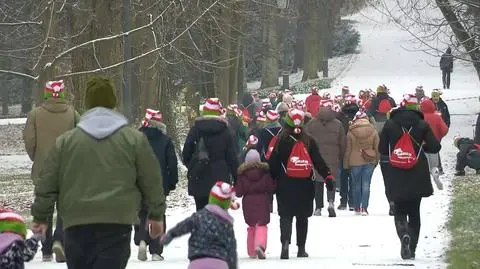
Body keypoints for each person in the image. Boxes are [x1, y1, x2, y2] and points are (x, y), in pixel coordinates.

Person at [30, 77, 166, 269]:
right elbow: (151, 180)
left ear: (87, 104)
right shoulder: (133, 140)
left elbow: (47, 182)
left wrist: (41, 217)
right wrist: (156, 214)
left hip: (76, 224)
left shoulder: (67, 142)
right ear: (113, 102)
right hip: (116, 223)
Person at [22, 80, 80, 263]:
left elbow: (29, 140)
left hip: (43, 169)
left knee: (44, 206)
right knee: (65, 208)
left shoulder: (35, 114)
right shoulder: (73, 114)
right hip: (68, 168)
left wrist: (37, 157)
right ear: (63, 94)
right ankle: (60, 240)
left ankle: (46, 249)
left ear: (46, 94)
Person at [379, 94, 441, 260]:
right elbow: (435, 147)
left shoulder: (390, 123)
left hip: (396, 172)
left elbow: (382, 149)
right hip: (417, 172)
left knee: (399, 210)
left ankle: (403, 234)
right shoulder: (422, 124)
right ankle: (412, 248)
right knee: (415, 212)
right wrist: (422, 144)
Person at [268, 109, 333, 259]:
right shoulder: (309, 140)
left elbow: (272, 164)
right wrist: (327, 176)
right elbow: (318, 161)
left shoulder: (280, 141)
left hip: (285, 184)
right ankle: (301, 248)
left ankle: (285, 243)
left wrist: (272, 180)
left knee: (285, 215)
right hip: (305, 184)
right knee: (302, 217)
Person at [160, 181, 238, 269]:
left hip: (197, 262)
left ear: (211, 199)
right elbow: (231, 249)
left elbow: (183, 226)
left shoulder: (199, 216)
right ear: (227, 204)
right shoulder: (227, 225)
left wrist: (170, 235)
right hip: (219, 263)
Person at [134, 109, 178, 262]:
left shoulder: (136, 138)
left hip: (139, 182)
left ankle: (142, 239)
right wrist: (172, 182)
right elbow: (172, 163)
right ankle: (156, 250)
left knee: (142, 212)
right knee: (158, 214)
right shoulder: (165, 140)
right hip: (160, 183)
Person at [183, 98, 239, 211]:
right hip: (221, 181)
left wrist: (193, 165)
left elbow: (186, 153)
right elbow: (232, 159)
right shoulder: (226, 131)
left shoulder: (195, 130)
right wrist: (237, 180)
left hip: (199, 178)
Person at [306, 100, 346, 217]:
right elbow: (343, 142)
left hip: (316, 157)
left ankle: (318, 207)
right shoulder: (338, 124)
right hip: (333, 157)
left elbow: (306, 139)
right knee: (331, 180)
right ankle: (331, 202)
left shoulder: (312, 123)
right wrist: (340, 156)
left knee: (318, 182)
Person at [236, 150, 276, 259]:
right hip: (262, 201)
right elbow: (271, 188)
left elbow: (238, 193)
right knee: (262, 225)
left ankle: (251, 251)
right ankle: (260, 246)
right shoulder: (265, 172)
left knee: (251, 227)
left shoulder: (242, 174)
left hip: (248, 202)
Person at [344, 111, 379, 216]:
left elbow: (348, 149)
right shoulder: (373, 130)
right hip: (370, 159)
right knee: (366, 184)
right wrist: (376, 160)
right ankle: (364, 208)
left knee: (355, 185)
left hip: (355, 161)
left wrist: (346, 163)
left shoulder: (351, 131)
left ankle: (357, 208)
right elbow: (377, 147)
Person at [335, 96, 359, 210]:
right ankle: (353, 202)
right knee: (354, 177)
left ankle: (343, 201)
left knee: (343, 176)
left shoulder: (339, 117)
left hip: (342, 149)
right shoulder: (359, 116)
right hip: (356, 150)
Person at [420, 99, 448, 190]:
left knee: (424, 166)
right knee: (434, 165)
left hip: (422, 145)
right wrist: (438, 137)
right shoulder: (437, 117)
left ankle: (426, 184)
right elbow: (444, 129)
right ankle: (435, 174)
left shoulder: (420, 117)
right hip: (434, 144)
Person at [431, 89, 450, 174]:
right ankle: (438, 167)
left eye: (436, 96)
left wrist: (446, 127)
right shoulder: (428, 104)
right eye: (433, 96)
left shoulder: (443, 105)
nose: (435, 98)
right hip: (430, 131)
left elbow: (447, 117)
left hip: (439, 131)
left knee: (435, 148)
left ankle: (438, 167)